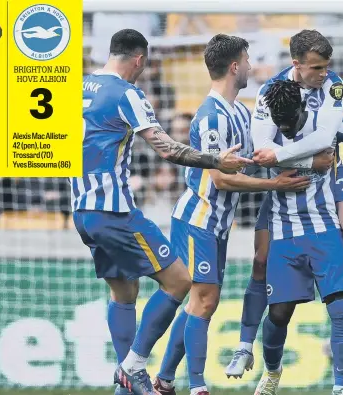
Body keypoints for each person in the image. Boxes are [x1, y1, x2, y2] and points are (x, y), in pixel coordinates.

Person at [75, 29, 250, 395]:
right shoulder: (127, 93)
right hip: (115, 210)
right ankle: (133, 366)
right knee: (179, 281)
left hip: (81, 210)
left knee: (124, 292)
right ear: (139, 59)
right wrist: (216, 159)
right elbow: (167, 149)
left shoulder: (78, 87)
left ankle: (128, 383)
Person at [226, 30, 343, 383]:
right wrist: (297, 161)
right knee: (260, 261)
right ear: (296, 65)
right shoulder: (270, 94)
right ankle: (247, 348)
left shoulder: (333, 86)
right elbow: (263, 151)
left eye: (326, 66)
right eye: (317, 68)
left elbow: (330, 137)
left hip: (329, 175)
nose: (324, 73)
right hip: (285, 186)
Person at [146, 34, 315, 395]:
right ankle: (196, 386)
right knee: (204, 299)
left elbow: (256, 160)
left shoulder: (239, 111)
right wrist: (276, 186)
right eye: (248, 60)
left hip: (218, 225)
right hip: (198, 219)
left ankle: (163, 380)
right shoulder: (211, 118)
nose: (252, 67)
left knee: (201, 301)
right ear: (235, 66)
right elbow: (221, 179)